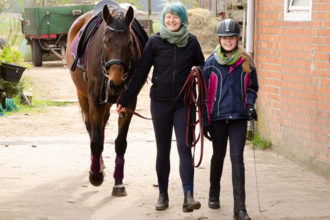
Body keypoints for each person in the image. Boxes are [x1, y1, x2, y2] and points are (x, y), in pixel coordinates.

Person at [116, 2, 205, 212]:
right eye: (168, 17)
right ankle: (163, 195)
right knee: (163, 150)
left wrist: (198, 70)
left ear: (182, 19)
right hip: (160, 103)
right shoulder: (155, 42)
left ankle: (188, 196)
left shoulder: (191, 42)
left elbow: (202, 65)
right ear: (163, 19)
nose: (172, 20)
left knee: (185, 148)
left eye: (176, 17)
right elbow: (140, 73)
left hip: (185, 103)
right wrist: (125, 99)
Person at [202, 19, 258, 220]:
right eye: (224, 38)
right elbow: (204, 95)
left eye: (231, 37)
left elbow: (252, 87)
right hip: (217, 118)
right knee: (218, 156)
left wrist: (250, 105)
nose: (228, 41)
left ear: (237, 39)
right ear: (219, 39)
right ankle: (213, 194)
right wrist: (206, 121)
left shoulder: (246, 61)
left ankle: (240, 208)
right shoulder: (210, 63)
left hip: (238, 118)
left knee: (237, 159)